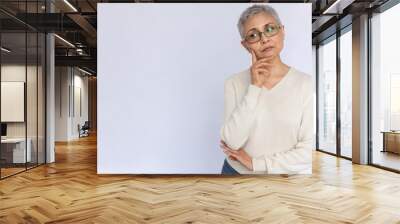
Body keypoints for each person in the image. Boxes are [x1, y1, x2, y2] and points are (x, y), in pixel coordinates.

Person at [220, 4, 314, 175]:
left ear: (282, 31)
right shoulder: (233, 83)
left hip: (284, 179)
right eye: (253, 35)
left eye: (270, 29)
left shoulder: (305, 84)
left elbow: (308, 152)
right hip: (236, 175)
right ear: (245, 45)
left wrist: (256, 163)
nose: (264, 39)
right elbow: (232, 142)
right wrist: (254, 87)